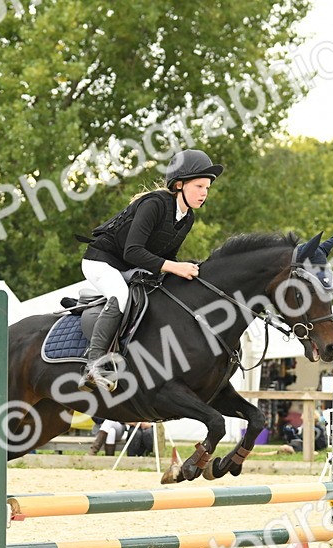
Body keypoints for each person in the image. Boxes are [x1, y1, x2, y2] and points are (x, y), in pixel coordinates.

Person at [78, 148, 224, 388]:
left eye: (207, 188)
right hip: (102, 261)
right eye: (199, 186)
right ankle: (93, 366)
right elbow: (132, 251)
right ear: (179, 185)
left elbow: (166, 256)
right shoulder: (154, 204)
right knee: (121, 296)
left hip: (132, 267)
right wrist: (176, 267)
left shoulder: (187, 218)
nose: (204, 193)